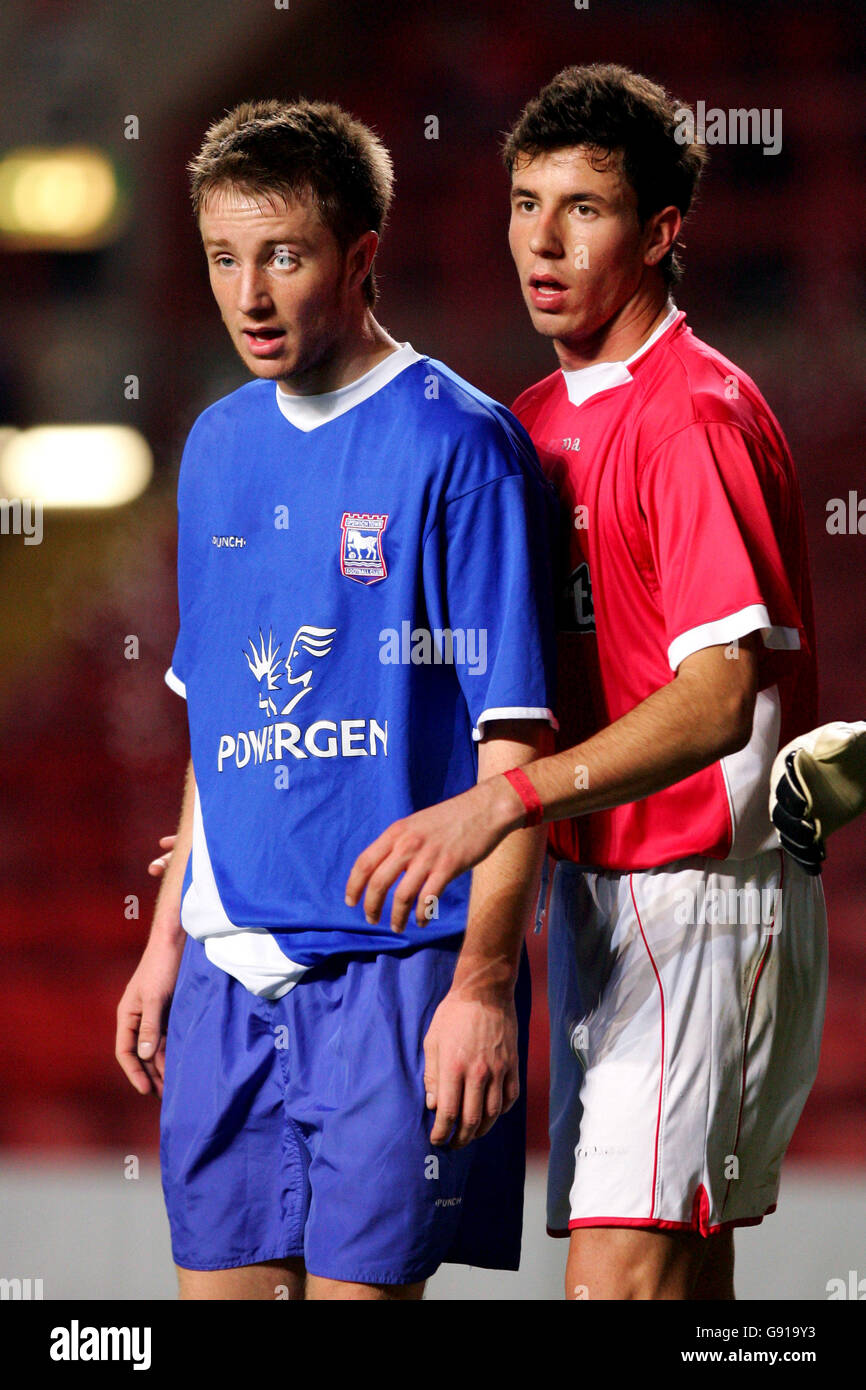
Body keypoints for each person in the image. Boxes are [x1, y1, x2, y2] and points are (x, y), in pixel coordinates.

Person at [346, 64, 828, 1301]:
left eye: (582, 208)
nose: (539, 240)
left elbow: (721, 694)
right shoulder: (532, 419)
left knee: (614, 1284)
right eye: (521, 201)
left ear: (660, 231)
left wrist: (512, 801)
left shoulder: (692, 418)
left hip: (700, 890)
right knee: (674, 1282)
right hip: (603, 901)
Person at [116, 97, 558, 1301]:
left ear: (360, 257)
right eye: (223, 257)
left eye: (283, 255)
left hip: (391, 975)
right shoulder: (212, 444)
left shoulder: (457, 443)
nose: (248, 293)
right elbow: (216, 724)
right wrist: (165, 944)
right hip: (223, 975)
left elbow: (512, 745)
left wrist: (483, 985)